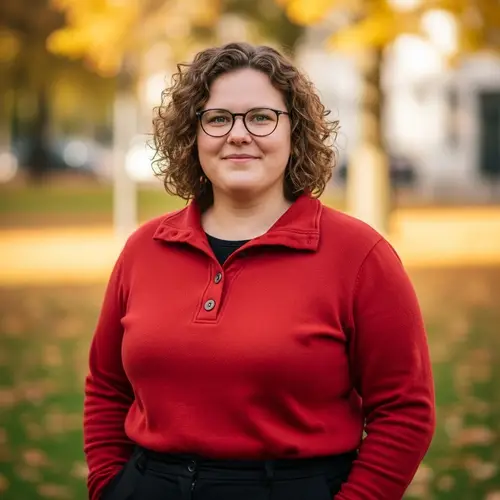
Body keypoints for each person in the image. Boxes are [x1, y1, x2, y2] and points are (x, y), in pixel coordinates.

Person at [83, 42, 435, 500]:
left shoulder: (361, 256)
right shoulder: (143, 249)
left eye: (261, 117)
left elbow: (405, 411)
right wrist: (109, 486)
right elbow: (107, 386)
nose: (238, 134)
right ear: (194, 134)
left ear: (295, 132)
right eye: (218, 118)